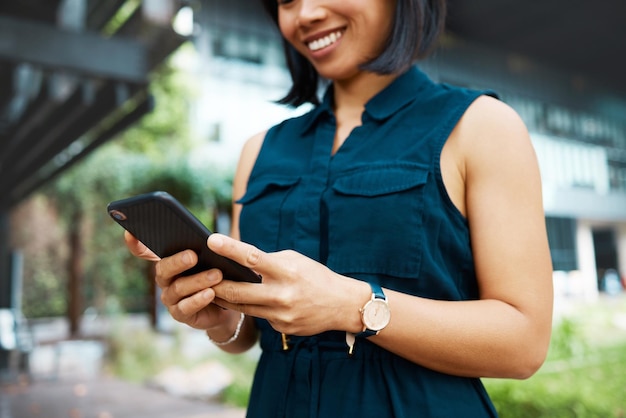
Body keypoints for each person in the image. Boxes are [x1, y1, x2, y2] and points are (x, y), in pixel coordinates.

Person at [125, 0, 554, 416]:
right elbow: (249, 333)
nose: (306, 13)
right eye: (287, 0)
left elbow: (524, 344)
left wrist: (352, 306)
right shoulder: (259, 151)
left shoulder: (482, 125)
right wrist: (220, 318)